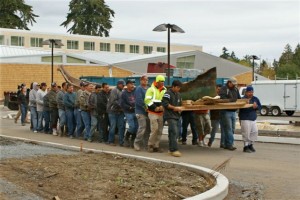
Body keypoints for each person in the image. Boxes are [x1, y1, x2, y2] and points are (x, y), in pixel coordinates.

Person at [144, 75, 166, 153]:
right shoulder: (151, 89)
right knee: (155, 129)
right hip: (152, 112)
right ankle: (150, 145)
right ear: (157, 82)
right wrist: (155, 107)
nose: (162, 83)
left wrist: (162, 106)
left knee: (160, 130)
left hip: (160, 113)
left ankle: (156, 146)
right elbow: (147, 100)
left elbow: (165, 100)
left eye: (163, 81)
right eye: (161, 82)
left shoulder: (164, 89)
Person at [162, 80, 183, 157]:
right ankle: (174, 149)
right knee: (174, 131)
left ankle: (171, 149)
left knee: (175, 133)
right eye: (177, 87)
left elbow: (180, 104)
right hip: (170, 115)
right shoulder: (167, 94)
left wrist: (180, 108)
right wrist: (174, 108)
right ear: (173, 86)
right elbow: (165, 104)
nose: (178, 89)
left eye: (179, 88)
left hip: (177, 116)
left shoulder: (179, 95)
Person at [219, 77, 241, 150]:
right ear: (229, 82)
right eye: (233, 84)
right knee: (228, 128)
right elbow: (223, 99)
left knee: (232, 128)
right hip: (226, 111)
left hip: (233, 111)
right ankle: (229, 144)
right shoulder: (223, 89)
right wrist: (232, 100)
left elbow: (239, 98)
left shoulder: (235, 89)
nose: (234, 85)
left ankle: (226, 143)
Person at [239, 86, 261, 153]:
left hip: (253, 118)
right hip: (245, 118)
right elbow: (239, 107)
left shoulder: (255, 99)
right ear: (246, 92)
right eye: (249, 92)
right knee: (246, 133)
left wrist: (256, 107)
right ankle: (245, 146)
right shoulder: (243, 99)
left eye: (252, 92)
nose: (250, 93)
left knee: (255, 132)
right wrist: (245, 104)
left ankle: (250, 144)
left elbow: (260, 107)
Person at [133, 76, 151, 151]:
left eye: (147, 80)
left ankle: (146, 144)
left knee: (148, 129)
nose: (145, 81)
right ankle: (136, 143)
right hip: (140, 111)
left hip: (148, 111)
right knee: (142, 127)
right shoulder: (139, 89)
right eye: (144, 80)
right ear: (141, 81)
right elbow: (139, 100)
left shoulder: (149, 89)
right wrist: (145, 107)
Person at [107, 80, 125, 146]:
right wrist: (122, 106)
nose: (123, 86)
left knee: (121, 127)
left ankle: (121, 142)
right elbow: (114, 101)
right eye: (122, 85)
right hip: (112, 111)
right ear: (119, 84)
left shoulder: (122, 91)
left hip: (120, 112)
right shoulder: (114, 90)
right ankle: (110, 141)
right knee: (113, 126)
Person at [120, 80, 137, 148]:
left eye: (133, 84)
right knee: (132, 127)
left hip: (135, 111)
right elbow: (122, 103)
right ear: (127, 85)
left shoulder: (135, 92)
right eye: (131, 84)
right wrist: (129, 107)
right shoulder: (124, 93)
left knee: (136, 127)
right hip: (128, 112)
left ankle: (133, 140)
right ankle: (126, 138)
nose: (132, 85)